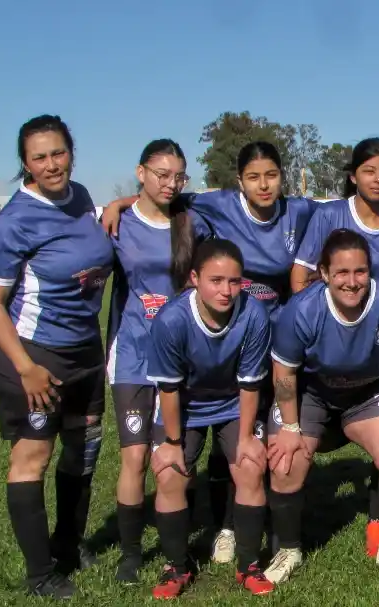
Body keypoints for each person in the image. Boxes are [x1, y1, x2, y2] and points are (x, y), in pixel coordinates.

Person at [100, 140, 379, 563]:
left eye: (272, 175)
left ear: (282, 177)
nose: (264, 184)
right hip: (225, 333)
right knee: (225, 436)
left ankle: (260, 520)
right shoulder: (220, 205)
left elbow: (357, 199)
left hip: (276, 339)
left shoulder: (301, 210)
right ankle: (226, 527)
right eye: (254, 177)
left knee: (252, 437)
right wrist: (122, 202)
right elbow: (168, 192)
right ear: (239, 181)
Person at [0, 115, 114, 599]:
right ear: (25, 164)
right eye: (40, 157)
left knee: (84, 450)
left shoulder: (79, 197)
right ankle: (40, 573)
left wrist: (117, 204)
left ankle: (69, 546)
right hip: (36, 356)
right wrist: (26, 367)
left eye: (58, 153)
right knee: (33, 458)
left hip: (85, 351)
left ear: (71, 153)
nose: (52, 164)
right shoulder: (14, 221)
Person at [267, 230, 379, 582]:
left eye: (360, 272)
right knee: (285, 461)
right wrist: (290, 428)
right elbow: (284, 371)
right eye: (341, 273)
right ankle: (287, 550)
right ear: (324, 273)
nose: (352, 282)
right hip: (313, 395)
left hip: (364, 396)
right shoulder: (301, 309)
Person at [144, 239, 275, 598]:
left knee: (249, 466)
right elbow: (168, 390)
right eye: (216, 280)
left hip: (234, 403)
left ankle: (248, 565)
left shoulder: (254, 315)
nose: (226, 290)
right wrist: (172, 444)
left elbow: (250, 384)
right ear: (194, 279)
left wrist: (246, 437)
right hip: (184, 406)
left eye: (234, 281)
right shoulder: (172, 320)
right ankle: (176, 566)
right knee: (170, 476)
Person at [104, 139, 189, 583]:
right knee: (134, 457)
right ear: (141, 173)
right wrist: (116, 204)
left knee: (171, 454)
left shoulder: (191, 219)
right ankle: (131, 554)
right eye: (161, 174)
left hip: (177, 360)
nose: (171, 183)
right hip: (133, 355)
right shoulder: (117, 224)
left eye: (179, 176)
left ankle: (184, 540)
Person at [292, 137, 379, 302]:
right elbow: (301, 272)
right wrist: (307, 314)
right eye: (369, 171)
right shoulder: (328, 215)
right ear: (353, 176)